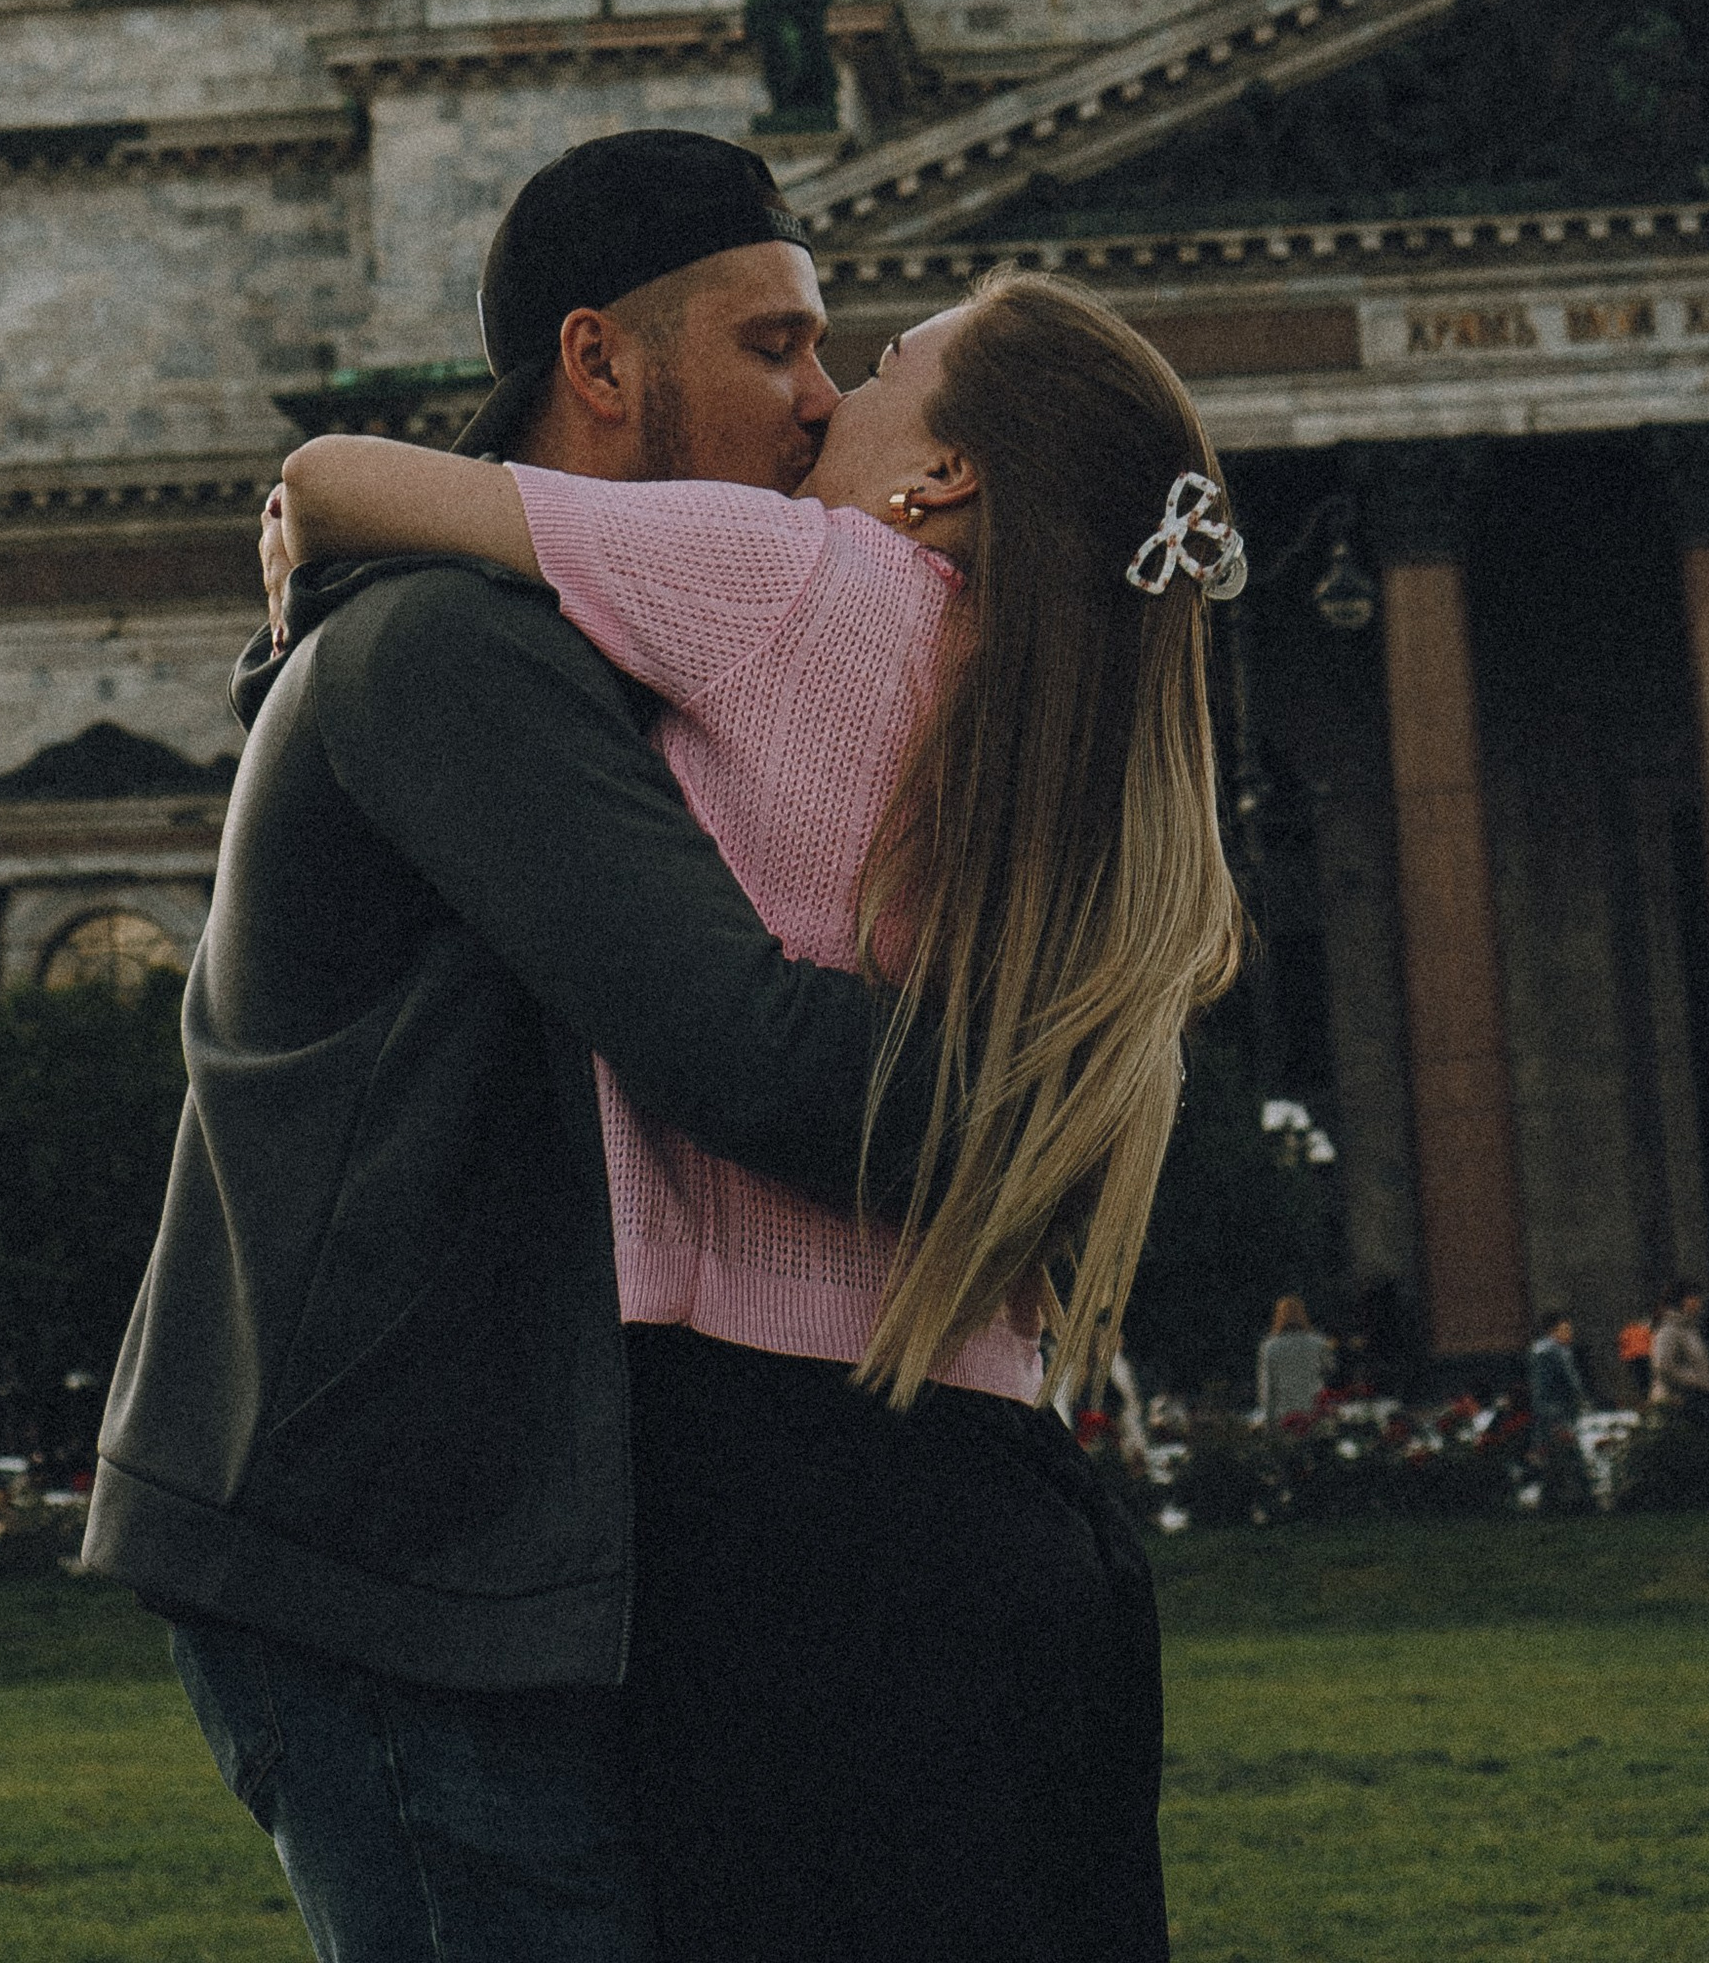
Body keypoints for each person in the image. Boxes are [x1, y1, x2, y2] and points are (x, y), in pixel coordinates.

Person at [276, 260, 1247, 1963]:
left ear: (939, 481)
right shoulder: (1071, 710)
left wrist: (300, 530)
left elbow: (355, 478)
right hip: (1023, 1510)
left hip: (783, 1505)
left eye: (870, 366)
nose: (820, 402)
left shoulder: (803, 577)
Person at [85, 131, 982, 1963]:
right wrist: (1076, 1089)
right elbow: (736, 1049)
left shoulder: (549, 641)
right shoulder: (452, 652)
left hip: (481, 1547)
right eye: (775, 347)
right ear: (599, 362)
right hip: (395, 1566)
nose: (820, 405)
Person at [1525, 1311, 1590, 1506]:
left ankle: (1552, 1498)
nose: (1569, 1334)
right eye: (1565, 1330)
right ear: (1552, 1331)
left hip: (1551, 1410)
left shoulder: (1546, 1351)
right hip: (1557, 1411)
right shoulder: (1552, 1352)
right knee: (1563, 1454)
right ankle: (1571, 1499)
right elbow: (1565, 1384)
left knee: (1552, 1456)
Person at [1256, 1295, 1331, 1427]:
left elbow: (1267, 1385)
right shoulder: (1318, 1343)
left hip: (1283, 1412)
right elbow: (1330, 1370)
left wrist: (1268, 1418)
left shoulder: (1270, 1347)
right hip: (1314, 1408)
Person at [1648, 1282, 1709, 1410]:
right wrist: (1695, 1380)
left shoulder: (1690, 1328)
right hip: (1673, 1401)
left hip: (1694, 1400)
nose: (1699, 1303)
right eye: (1694, 1298)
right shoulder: (1669, 1329)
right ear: (1682, 1301)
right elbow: (1663, 1365)